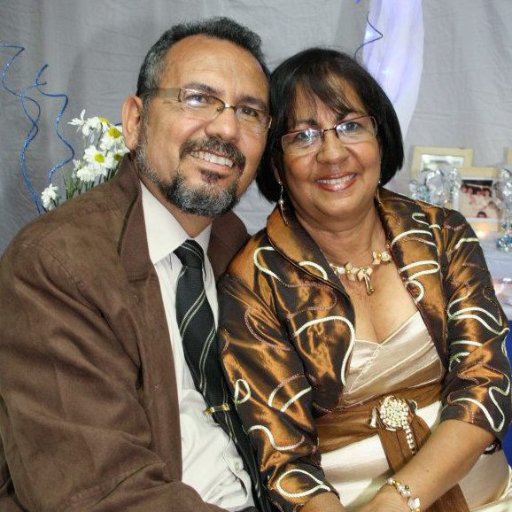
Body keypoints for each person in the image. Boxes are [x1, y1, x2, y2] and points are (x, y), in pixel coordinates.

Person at [218, 47, 512, 512]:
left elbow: (486, 384)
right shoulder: (253, 283)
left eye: (351, 125)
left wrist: (399, 501)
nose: (332, 154)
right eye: (304, 136)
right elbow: (284, 461)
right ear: (275, 162)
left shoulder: (443, 233)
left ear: (381, 137)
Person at [0, 17, 273, 512]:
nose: (227, 128)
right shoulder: (55, 266)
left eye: (250, 111)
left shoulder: (240, 249)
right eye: (196, 98)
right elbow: (101, 493)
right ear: (134, 121)